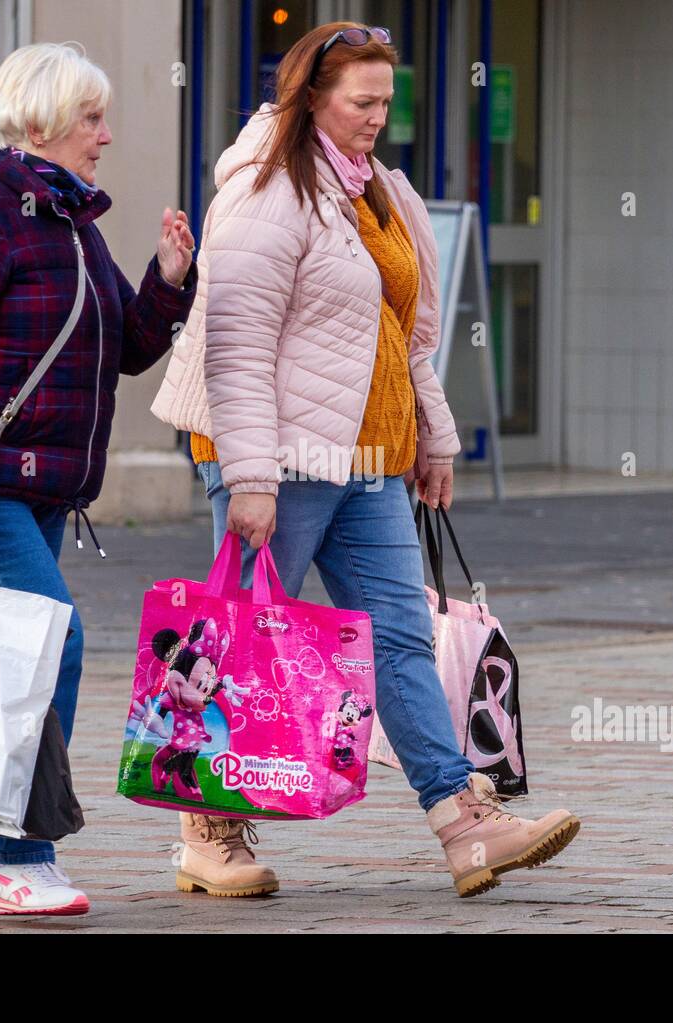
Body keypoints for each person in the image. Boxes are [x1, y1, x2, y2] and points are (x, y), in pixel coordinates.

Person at [151, 22, 580, 899]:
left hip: (372, 456)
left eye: (388, 101)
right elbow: (234, 341)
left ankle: (466, 824)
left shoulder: (380, 190)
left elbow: (408, 330)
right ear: (312, 96)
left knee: (398, 642)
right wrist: (252, 476)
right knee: (240, 644)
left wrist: (435, 436)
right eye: (363, 101)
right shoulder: (267, 190)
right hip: (286, 454)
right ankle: (206, 828)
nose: (379, 117)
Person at [0, 42, 197, 915]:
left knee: (4, 662)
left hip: (34, 493)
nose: (106, 135)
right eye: (90, 118)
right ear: (39, 121)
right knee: (49, 641)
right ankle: (21, 852)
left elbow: (126, 349)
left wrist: (168, 283)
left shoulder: (69, 222)